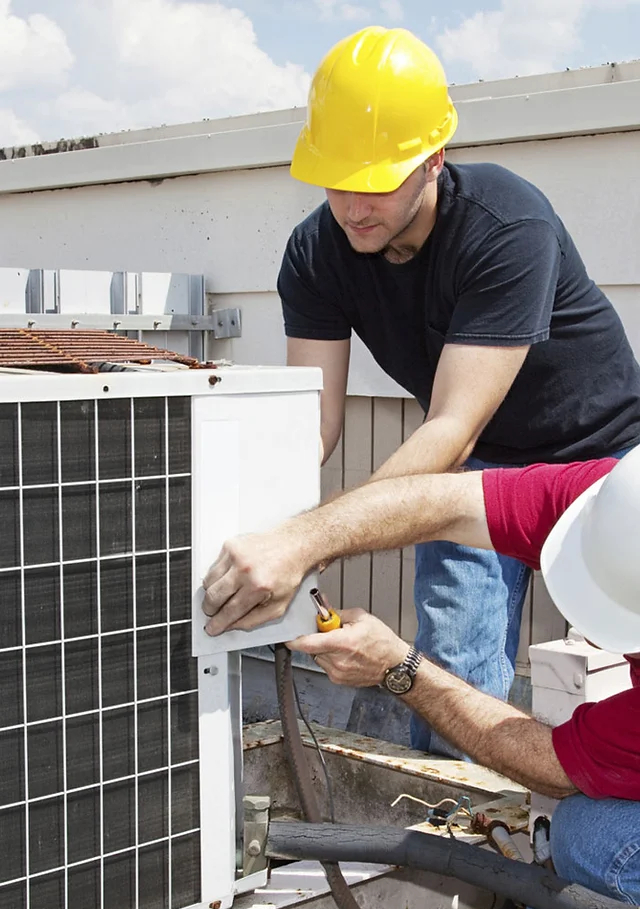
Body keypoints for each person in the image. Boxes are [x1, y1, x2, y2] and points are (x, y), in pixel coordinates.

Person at [277, 24, 640, 755]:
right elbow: (312, 422)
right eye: (337, 179)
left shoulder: (507, 223)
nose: (353, 206)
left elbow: (451, 426)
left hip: (604, 461)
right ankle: (463, 845)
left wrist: (318, 536)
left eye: (377, 182)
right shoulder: (317, 252)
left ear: (434, 161)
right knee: (450, 665)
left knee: (617, 680)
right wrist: (274, 526)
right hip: (481, 470)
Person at [202, 447, 640, 902]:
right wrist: (302, 541)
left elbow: (555, 767)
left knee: (595, 843)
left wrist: (400, 668)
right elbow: (441, 501)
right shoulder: (615, 499)